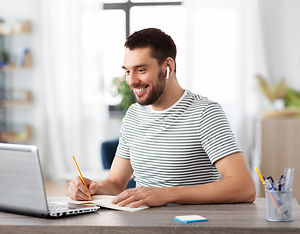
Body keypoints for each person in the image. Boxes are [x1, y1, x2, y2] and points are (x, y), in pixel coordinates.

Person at [68, 28, 256, 208]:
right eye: (127, 71)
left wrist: (165, 194)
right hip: (141, 223)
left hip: (191, 224)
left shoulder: (205, 113)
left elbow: (244, 187)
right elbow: (116, 183)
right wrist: (91, 188)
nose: (131, 81)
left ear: (168, 67)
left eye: (140, 70)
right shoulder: (134, 115)